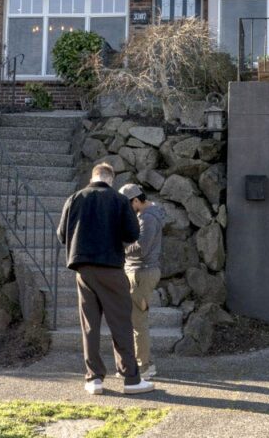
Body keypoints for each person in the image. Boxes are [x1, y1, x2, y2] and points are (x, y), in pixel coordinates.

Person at [57, 163, 155, 395]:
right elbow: (132, 234)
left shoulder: (74, 198)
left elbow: (62, 235)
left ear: (93, 177)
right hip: (111, 268)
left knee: (90, 325)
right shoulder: (119, 200)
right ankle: (131, 379)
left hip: (83, 269)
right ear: (111, 179)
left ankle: (94, 379)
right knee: (120, 323)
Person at [119, 183, 164, 380]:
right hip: (141, 272)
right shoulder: (148, 215)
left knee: (138, 322)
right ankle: (146, 363)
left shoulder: (148, 218)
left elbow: (141, 249)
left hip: (141, 273)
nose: (127, 210)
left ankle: (143, 367)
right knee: (137, 320)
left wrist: (119, 245)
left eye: (128, 205)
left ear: (136, 200)